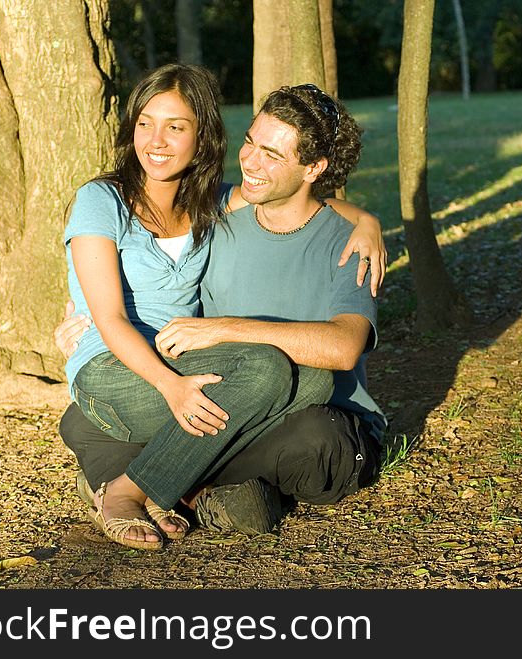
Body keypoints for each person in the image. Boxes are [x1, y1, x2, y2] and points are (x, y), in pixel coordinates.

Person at [61, 65, 385, 551]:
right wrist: (171, 386)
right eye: (146, 122)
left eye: (176, 126)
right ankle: (152, 490)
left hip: (198, 367)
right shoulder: (109, 200)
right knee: (269, 373)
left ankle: (155, 481)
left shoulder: (209, 204)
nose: (156, 140)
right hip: (131, 367)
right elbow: (107, 315)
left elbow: (286, 201)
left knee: (314, 383)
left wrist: (366, 218)